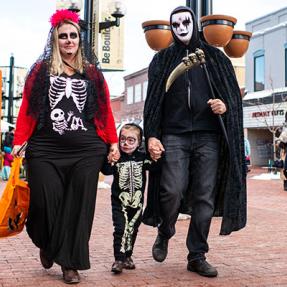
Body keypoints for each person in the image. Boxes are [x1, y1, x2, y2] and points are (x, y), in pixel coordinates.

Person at [12, 9, 119, 284]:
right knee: (46, 201)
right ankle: (47, 243)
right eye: (63, 36)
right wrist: (19, 141)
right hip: (45, 147)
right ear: (55, 40)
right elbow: (27, 108)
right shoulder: (41, 70)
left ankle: (70, 264)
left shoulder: (92, 73)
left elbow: (105, 110)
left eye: (73, 36)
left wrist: (112, 142)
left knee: (78, 206)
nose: (69, 41)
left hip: (86, 149)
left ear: (79, 40)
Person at [143, 6, 246, 278]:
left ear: (193, 24)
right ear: (172, 27)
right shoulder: (163, 59)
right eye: (175, 23)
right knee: (171, 190)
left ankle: (197, 254)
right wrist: (152, 134)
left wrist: (225, 106)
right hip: (174, 135)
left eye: (185, 21)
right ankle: (165, 230)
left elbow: (233, 98)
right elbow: (152, 101)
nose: (181, 27)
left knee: (204, 197)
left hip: (208, 136)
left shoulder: (215, 58)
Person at [101, 123, 154, 274]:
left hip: (137, 203)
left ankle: (127, 256)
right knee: (120, 229)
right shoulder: (118, 158)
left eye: (131, 140)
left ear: (139, 142)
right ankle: (118, 259)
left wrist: (156, 153)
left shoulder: (143, 158)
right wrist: (109, 157)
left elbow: (157, 166)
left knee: (132, 229)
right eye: (122, 139)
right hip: (119, 201)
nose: (125, 143)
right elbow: (106, 170)